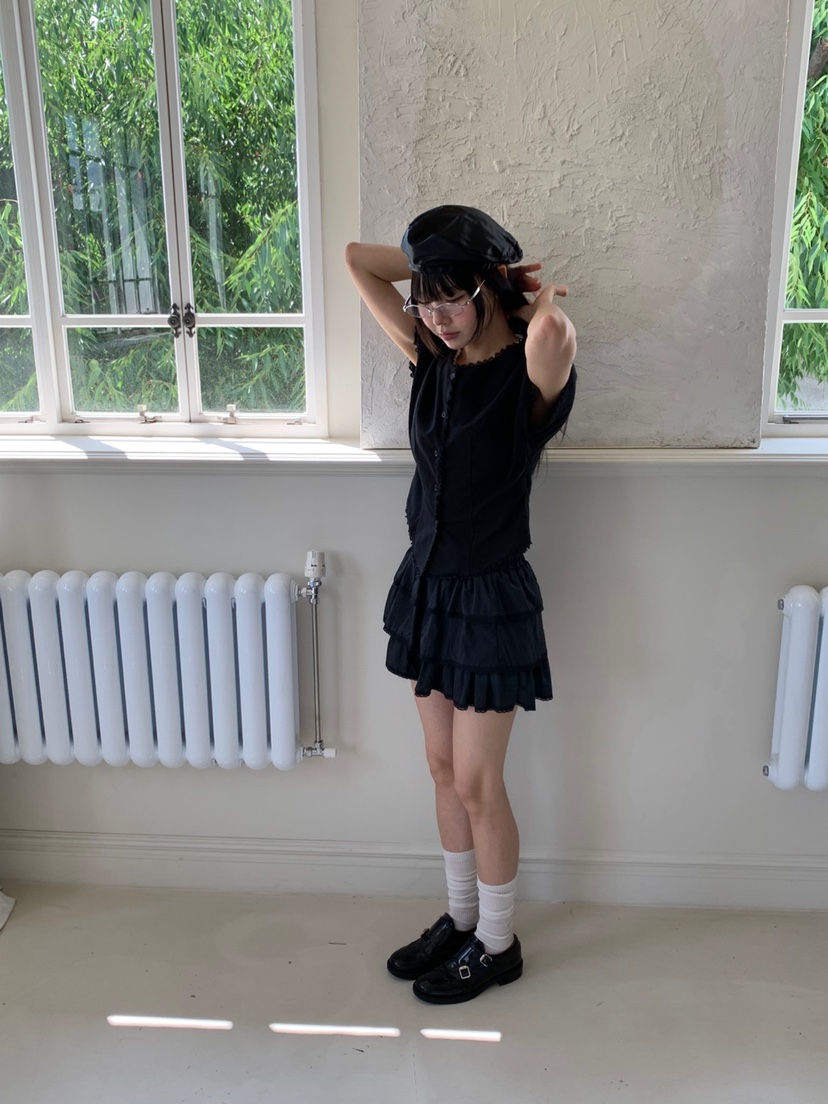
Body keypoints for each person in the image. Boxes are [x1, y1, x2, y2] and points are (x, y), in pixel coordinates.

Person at [345, 205, 576, 1004]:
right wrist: (437, 266)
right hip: (428, 588)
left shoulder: (525, 370)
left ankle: (499, 944)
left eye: (453, 298)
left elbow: (555, 336)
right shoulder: (429, 355)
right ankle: (462, 915)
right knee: (442, 770)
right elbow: (358, 260)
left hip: (489, 599)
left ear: (486, 289)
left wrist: (524, 296)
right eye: (425, 299)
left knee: (479, 782)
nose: (436, 316)